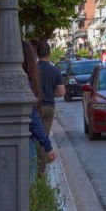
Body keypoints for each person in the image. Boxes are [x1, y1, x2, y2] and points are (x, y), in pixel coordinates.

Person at [21, 40, 56, 181]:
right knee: (28, 186)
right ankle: (41, 172)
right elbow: (33, 118)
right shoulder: (26, 83)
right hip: (24, 141)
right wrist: (48, 147)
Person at [35, 41, 65, 176]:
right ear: (49, 53)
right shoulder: (55, 70)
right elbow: (61, 92)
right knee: (44, 138)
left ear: (37, 53)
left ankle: (32, 165)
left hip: (34, 107)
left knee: (31, 137)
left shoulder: (32, 69)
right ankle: (41, 170)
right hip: (48, 107)